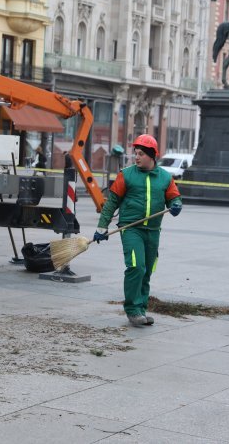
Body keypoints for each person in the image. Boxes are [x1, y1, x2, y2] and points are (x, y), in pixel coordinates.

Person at [92, 134, 183, 327]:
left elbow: (174, 198)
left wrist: (176, 205)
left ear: (152, 155)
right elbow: (112, 203)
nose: (137, 157)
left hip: (153, 230)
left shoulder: (165, 178)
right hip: (131, 228)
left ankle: (141, 308)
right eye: (136, 153)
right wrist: (102, 226)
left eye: (141, 154)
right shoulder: (126, 175)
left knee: (147, 270)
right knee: (136, 266)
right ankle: (132, 310)